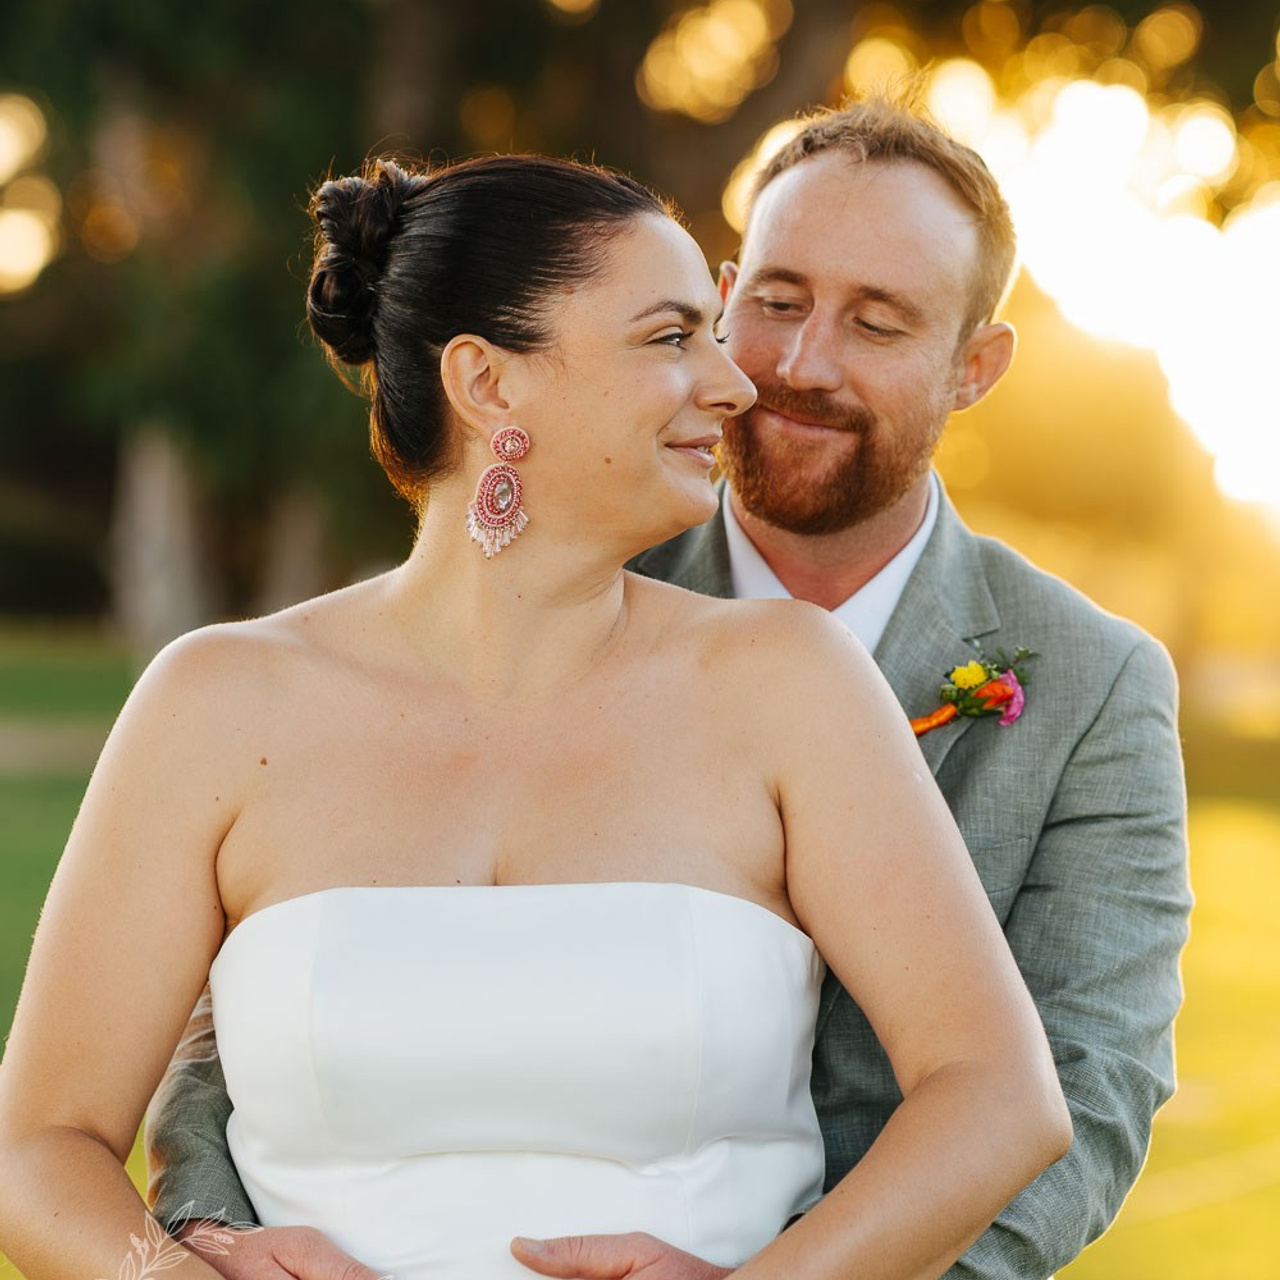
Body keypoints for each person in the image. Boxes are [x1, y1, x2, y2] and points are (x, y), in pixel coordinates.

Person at [145, 100, 1191, 1280]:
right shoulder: (546, 565)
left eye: (878, 322)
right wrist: (200, 1250)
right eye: (775, 304)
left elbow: (1074, 1092)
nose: (793, 367)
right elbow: (237, 1024)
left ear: (973, 367)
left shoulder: (1087, 682)